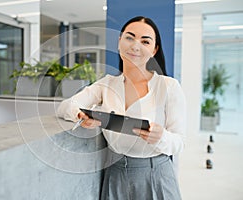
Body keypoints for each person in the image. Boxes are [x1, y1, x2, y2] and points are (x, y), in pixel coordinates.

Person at [57, 16, 186, 200]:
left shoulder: (169, 86)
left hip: (155, 175)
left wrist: (161, 137)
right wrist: (79, 115)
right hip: (115, 174)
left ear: (154, 50)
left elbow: (179, 142)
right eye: (129, 37)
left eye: (145, 41)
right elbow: (65, 106)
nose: (135, 46)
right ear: (119, 42)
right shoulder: (106, 85)